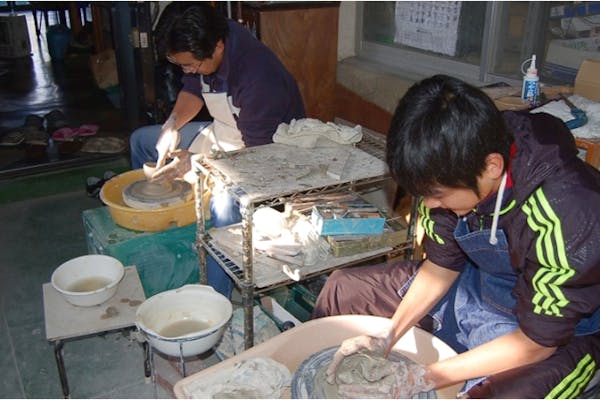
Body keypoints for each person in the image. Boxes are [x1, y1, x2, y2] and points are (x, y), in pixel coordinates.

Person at [312, 75, 600, 398]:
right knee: (343, 290)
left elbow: (538, 343)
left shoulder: (570, 211)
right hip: (478, 285)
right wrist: (387, 336)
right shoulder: (456, 161)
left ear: (492, 166)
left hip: (557, 330)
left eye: (437, 195)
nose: (429, 205)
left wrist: (423, 377)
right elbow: (440, 267)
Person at [129, 4, 305, 298]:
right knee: (141, 141)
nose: (187, 71)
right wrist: (171, 126)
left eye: (190, 65)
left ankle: (214, 300)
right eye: (181, 65)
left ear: (218, 48)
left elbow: (256, 159)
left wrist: (196, 162)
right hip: (224, 134)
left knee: (223, 206)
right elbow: (193, 87)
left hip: (266, 157)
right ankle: (164, 234)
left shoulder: (259, 79)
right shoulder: (209, 35)